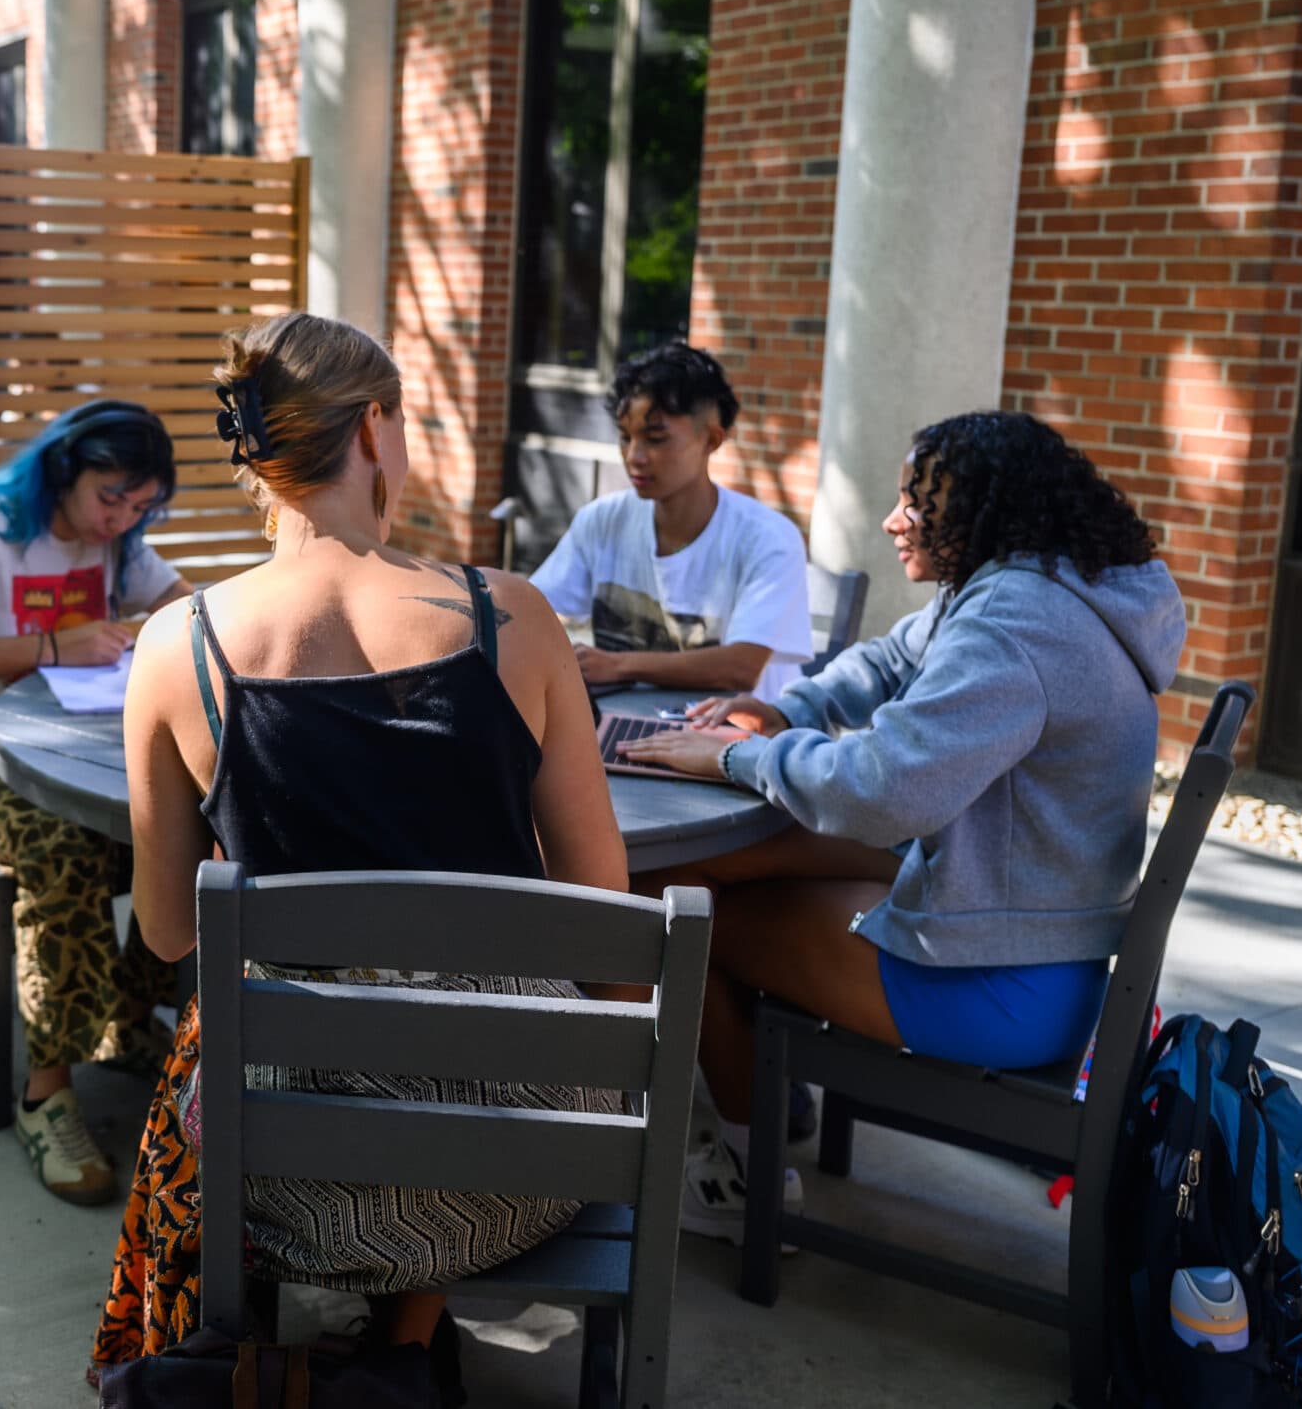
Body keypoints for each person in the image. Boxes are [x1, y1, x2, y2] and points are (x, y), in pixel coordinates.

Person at [93, 313, 631, 1389]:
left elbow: (161, 930)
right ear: (376, 428)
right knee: (476, 1029)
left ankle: (315, 1366)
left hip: (282, 1164)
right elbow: (609, 927)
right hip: (522, 1162)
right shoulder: (511, 617)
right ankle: (395, 1358)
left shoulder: (175, 644)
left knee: (233, 1040)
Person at [616, 409, 1185, 1243]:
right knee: (730, 865)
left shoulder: (1016, 624)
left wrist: (734, 759)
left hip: (1001, 982)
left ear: (987, 514)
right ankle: (760, 1088)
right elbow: (889, 659)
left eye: (920, 505)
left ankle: (741, 1170)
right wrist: (783, 707)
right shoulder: (1038, 583)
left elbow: (882, 792)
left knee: (686, 910)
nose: (895, 521)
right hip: (1018, 919)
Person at [0, 398, 196, 1205]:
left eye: (139, 505)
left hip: (49, 741)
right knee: (64, 841)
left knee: (178, 820)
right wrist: (52, 644)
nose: (120, 519)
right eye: (109, 497)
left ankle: (125, 1021)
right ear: (65, 467)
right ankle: (45, 1093)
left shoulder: (116, 537)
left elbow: (184, 605)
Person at [530, 340, 813, 701]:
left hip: (741, 741)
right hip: (628, 725)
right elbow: (531, 610)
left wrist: (619, 664)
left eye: (656, 439)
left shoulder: (768, 538)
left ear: (711, 440)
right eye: (625, 437)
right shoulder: (602, 521)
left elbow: (741, 668)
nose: (635, 457)